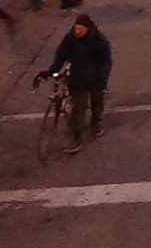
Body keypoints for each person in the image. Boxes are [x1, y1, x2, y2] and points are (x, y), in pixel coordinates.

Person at [35, 12, 112, 154]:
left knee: (96, 101)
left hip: (95, 78)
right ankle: (76, 138)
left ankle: (96, 122)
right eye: (75, 29)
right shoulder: (70, 38)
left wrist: (103, 79)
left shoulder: (99, 42)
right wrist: (52, 71)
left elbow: (105, 62)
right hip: (78, 79)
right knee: (78, 109)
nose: (77, 32)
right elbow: (61, 55)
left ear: (87, 29)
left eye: (80, 29)